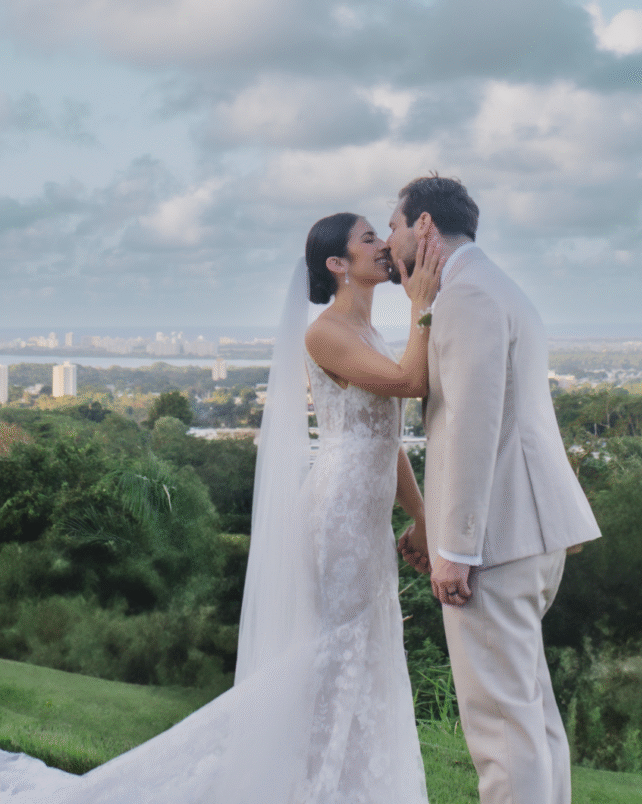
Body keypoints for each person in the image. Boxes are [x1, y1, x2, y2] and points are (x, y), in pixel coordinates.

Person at [0, 211, 440, 804]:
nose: (385, 245)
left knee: (361, 649)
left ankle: (347, 783)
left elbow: (386, 442)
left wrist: (421, 516)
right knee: (336, 652)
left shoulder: (370, 335)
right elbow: (411, 382)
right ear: (338, 264)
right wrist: (422, 303)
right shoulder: (325, 334)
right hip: (338, 514)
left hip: (365, 512)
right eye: (369, 238)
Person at [389, 175, 602, 804]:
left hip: (495, 542)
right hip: (528, 533)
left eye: (394, 226)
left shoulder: (468, 296)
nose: (391, 241)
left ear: (424, 225)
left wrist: (455, 548)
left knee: (501, 731)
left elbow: (471, 426)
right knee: (530, 716)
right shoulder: (497, 286)